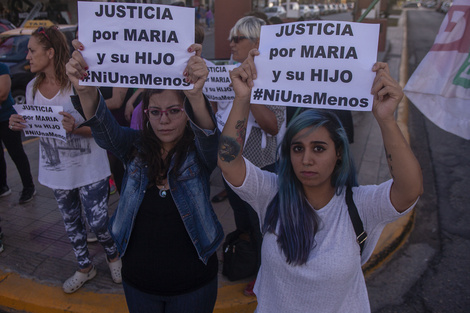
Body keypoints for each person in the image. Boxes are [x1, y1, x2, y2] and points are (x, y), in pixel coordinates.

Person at [217, 49, 423, 312]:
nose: (306, 159)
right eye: (297, 148)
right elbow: (228, 160)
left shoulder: (360, 205)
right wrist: (242, 98)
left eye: (318, 148)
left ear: (338, 152)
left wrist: (385, 119)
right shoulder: (271, 192)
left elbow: (410, 189)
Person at [66, 40, 223, 312]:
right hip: (139, 284)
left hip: (194, 284)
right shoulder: (134, 146)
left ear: (186, 114)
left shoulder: (198, 153)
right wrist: (86, 89)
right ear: (146, 114)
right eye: (155, 112)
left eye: (174, 111)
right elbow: (105, 131)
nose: (164, 120)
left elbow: (210, 137)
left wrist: (196, 95)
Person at [8, 26, 121, 293]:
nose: (28, 55)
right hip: (58, 171)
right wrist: (20, 123)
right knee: (71, 222)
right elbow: (38, 125)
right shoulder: (32, 87)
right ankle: (85, 267)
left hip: (90, 168)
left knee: (98, 222)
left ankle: (114, 255)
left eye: (32, 50)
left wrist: (76, 128)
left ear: (50, 52)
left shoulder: (79, 85)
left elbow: (104, 129)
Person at [215, 16, 285, 294]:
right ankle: (250, 262)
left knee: (262, 226)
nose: (230, 43)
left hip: (262, 168)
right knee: (242, 220)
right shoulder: (229, 71)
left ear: (257, 43)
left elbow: (273, 124)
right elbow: (217, 113)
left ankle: (265, 274)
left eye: (237, 38)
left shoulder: (274, 76)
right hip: (232, 166)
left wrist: (248, 93)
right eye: (231, 37)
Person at [0, 62, 36, 203]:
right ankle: (3, 187)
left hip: (7, 118)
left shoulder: (2, 67)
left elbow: (2, 94)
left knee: (16, 153)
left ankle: (29, 187)